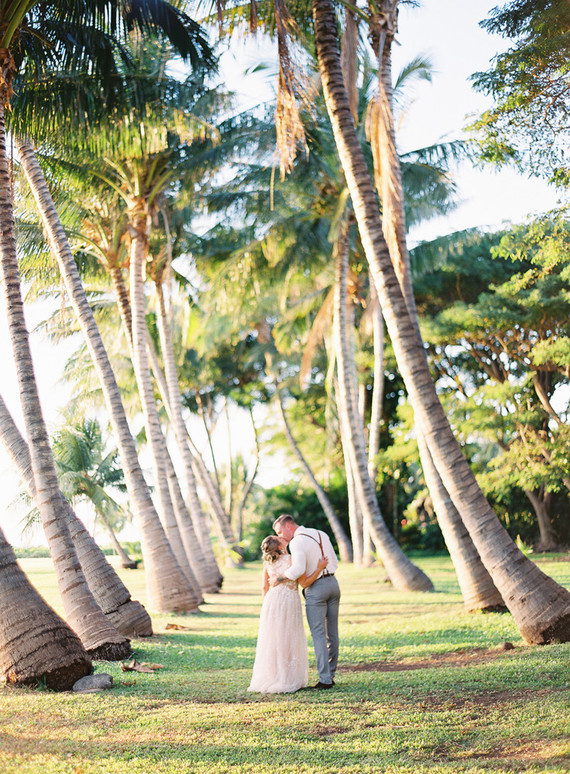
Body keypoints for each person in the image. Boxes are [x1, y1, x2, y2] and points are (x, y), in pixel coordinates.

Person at [247, 535, 328, 694]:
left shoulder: (268, 564)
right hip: (289, 601)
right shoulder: (292, 560)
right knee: (288, 637)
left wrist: (266, 609)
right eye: (280, 539)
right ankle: (287, 678)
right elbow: (304, 583)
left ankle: (273, 677)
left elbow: (265, 589)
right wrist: (320, 567)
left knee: (274, 639)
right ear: (280, 546)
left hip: (271, 602)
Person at [272, 514, 340, 690]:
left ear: (288, 526)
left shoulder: (296, 542)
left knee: (318, 635)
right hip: (333, 584)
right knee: (332, 634)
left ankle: (325, 680)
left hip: (316, 589)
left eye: (280, 532)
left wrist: (279, 578)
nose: (280, 537)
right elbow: (335, 561)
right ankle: (330, 675)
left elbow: (298, 569)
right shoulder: (321, 534)